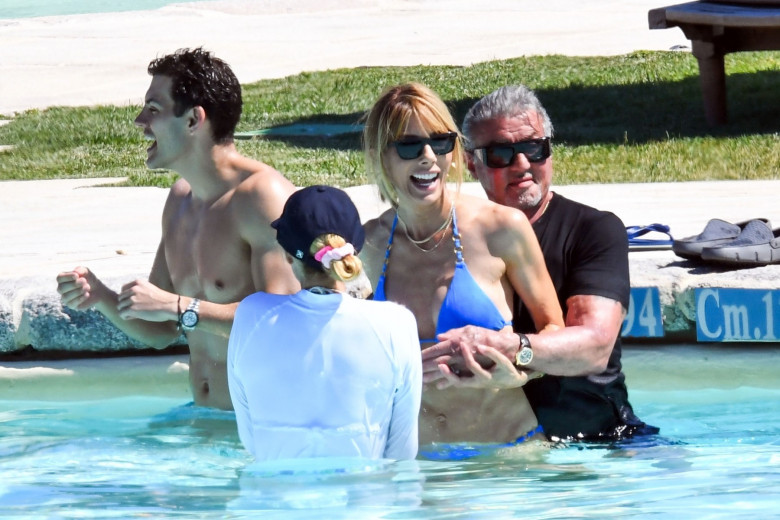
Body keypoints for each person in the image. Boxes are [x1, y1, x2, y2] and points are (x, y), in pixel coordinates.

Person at [55, 48, 299, 410]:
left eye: (153, 109)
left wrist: (178, 305)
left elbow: (281, 321)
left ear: (193, 120)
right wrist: (101, 297)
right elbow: (161, 330)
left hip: (266, 426)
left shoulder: (262, 198)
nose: (140, 121)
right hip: (204, 421)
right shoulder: (181, 200)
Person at [423, 85, 658, 441]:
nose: (522, 165)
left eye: (534, 148)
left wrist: (515, 349)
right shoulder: (454, 239)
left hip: (595, 440)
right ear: (471, 163)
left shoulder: (593, 230)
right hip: (499, 443)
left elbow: (594, 348)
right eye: (501, 153)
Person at [360, 83, 564, 449]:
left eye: (440, 143)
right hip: (417, 463)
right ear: (380, 155)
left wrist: (519, 367)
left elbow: (555, 332)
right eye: (409, 145)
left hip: (509, 454)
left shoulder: (500, 228)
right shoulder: (368, 246)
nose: (428, 157)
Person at [227, 185, 422, 461]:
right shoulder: (396, 324)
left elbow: (252, 442)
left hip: (273, 501)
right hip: (368, 502)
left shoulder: (251, 316)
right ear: (355, 252)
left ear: (286, 254)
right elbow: (403, 454)